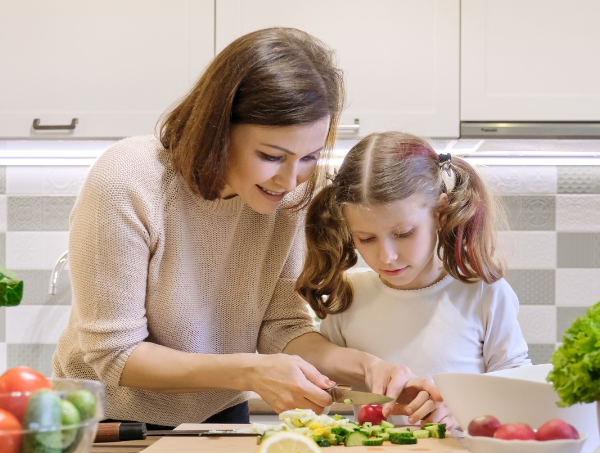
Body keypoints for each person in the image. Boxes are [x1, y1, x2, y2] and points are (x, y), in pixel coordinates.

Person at [53, 29, 439, 427]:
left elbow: (283, 326)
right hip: (106, 424)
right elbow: (114, 354)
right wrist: (250, 371)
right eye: (272, 156)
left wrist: (367, 368)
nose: (291, 180)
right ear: (218, 128)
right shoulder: (128, 181)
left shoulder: (289, 199)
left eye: (308, 157)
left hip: (221, 416)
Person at [297, 132, 531, 428]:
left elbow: (519, 385)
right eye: (366, 238)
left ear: (440, 213)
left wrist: (464, 410)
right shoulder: (349, 296)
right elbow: (328, 387)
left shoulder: (484, 293)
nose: (387, 257)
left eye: (403, 233)